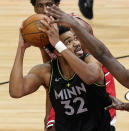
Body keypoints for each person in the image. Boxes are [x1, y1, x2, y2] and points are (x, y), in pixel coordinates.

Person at [9, 18, 114, 131]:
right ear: (57, 51)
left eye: (76, 38)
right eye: (69, 42)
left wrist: (59, 44)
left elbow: (90, 77)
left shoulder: (91, 60)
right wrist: (21, 48)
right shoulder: (47, 72)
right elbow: (16, 91)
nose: (77, 44)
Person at [29, 0, 116, 129]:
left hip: (93, 80)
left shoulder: (76, 26)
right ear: (35, 9)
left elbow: (90, 69)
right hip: (66, 85)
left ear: (57, 4)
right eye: (40, 6)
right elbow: (51, 78)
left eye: (49, 5)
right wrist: (49, 113)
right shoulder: (41, 33)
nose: (45, 10)